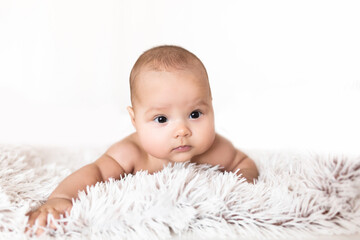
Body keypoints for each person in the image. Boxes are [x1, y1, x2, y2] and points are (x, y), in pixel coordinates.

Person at [25, 45, 259, 236]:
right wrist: (60, 198)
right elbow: (94, 172)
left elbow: (244, 163)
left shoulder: (214, 148)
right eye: (161, 118)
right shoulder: (132, 152)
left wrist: (242, 185)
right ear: (135, 120)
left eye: (195, 114)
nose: (182, 130)